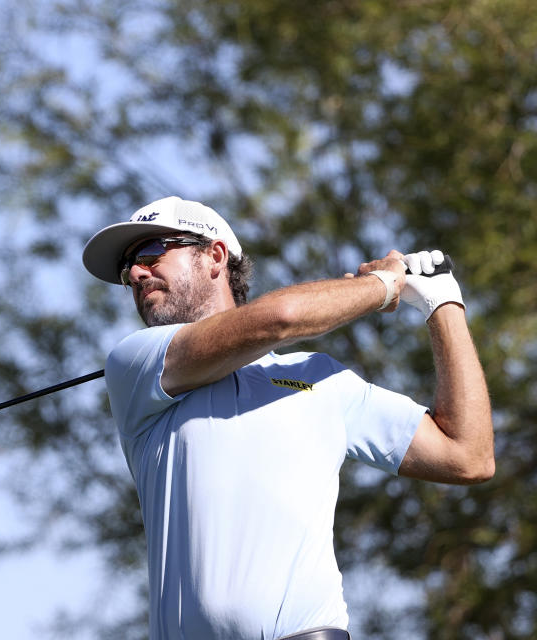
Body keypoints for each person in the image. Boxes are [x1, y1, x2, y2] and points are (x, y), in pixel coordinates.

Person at [82, 196, 494, 640]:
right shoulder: (135, 364)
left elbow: (468, 455)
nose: (137, 273)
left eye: (150, 253)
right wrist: (383, 286)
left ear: (214, 256)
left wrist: (444, 305)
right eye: (129, 269)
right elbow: (281, 318)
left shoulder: (321, 380)